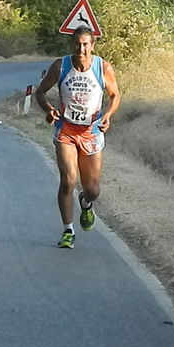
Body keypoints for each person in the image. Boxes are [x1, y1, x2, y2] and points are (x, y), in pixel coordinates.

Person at [35, 26, 121, 249]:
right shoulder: (61, 66)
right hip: (66, 131)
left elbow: (114, 95)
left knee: (92, 190)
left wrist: (109, 115)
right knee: (68, 180)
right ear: (72, 45)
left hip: (91, 132)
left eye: (85, 44)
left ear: (92, 46)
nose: (81, 49)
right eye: (77, 44)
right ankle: (68, 230)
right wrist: (49, 110)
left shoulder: (102, 68)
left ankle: (85, 203)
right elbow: (40, 92)